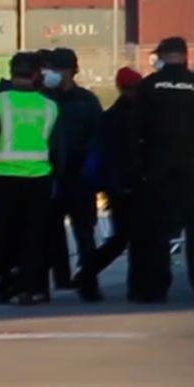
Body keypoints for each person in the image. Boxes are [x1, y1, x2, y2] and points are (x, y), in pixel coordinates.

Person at [134, 36, 194, 304]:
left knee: (157, 226)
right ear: (185, 56)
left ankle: (155, 287)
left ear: (161, 56)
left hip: (157, 162)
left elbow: (136, 123)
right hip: (189, 162)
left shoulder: (149, 85)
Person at [0, 51, 59, 306]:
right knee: (33, 237)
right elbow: (56, 146)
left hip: (6, 177)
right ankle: (27, 290)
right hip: (40, 178)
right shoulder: (49, 106)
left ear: (11, 73)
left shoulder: (0, 102)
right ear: (36, 74)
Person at [41, 48, 105, 298]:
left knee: (84, 232)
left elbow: (99, 137)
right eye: (53, 69)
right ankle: (56, 280)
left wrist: (91, 169)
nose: (57, 74)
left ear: (73, 71)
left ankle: (89, 284)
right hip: (48, 174)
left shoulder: (85, 100)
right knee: (49, 232)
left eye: (61, 69)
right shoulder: (42, 98)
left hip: (79, 176)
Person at [78, 67, 145, 298]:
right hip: (126, 184)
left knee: (125, 238)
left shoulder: (111, 116)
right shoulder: (130, 116)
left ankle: (88, 272)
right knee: (130, 237)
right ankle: (134, 286)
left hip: (119, 185)